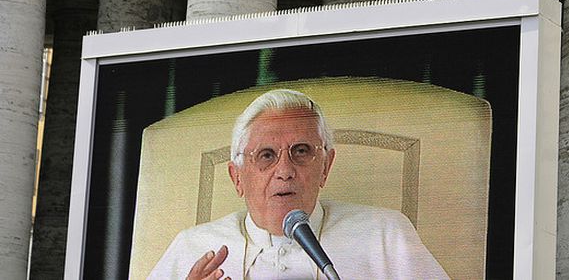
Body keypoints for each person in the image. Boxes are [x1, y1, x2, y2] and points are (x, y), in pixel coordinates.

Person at [148, 89, 449, 280]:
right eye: (266, 155)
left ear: (326, 167)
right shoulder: (191, 248)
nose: (285, 170)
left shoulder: (385, 235)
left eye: (301, 152)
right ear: (236, 177)